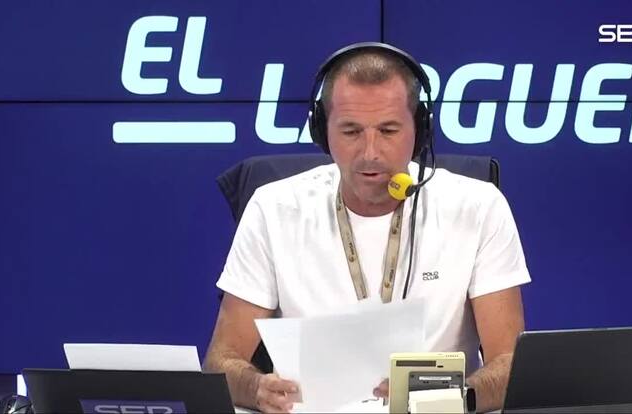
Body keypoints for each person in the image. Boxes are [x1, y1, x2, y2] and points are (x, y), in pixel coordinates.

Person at [203, 43, 531, 413]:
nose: (370, 152)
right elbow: (221, 360)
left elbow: (511, 366)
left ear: (420, 131)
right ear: (321, 131)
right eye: (351, 131)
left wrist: (446, 398)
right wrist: (257, 387)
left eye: (388, 130)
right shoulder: (273, 207)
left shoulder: (478, 206)